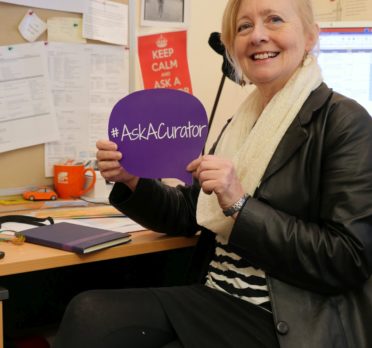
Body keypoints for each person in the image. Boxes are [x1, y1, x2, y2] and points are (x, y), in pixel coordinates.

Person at [53, 0, 372, 347]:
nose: (258, 36)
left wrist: (240, 204)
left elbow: (347, 258)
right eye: (244, 27)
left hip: (283, 318)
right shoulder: (244, 122)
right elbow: (191, 211)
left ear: (310, 37)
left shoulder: (345, 122)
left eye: (275, 20)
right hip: (215, 294)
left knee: (97, 319)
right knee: (88, 311)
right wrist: (132, 179)